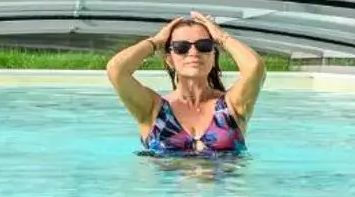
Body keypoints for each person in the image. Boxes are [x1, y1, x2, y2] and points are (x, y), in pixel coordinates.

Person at [106, 11, 266, 155]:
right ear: (169, 59)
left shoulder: (232, 106)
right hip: (165, 188)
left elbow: (254, 68)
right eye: (181, 47)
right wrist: (155, 42)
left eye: (204, 46)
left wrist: (221, 37)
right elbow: (116, 70)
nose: (194, 52)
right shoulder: (152, 109)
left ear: (212, 56)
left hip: (224, 188)